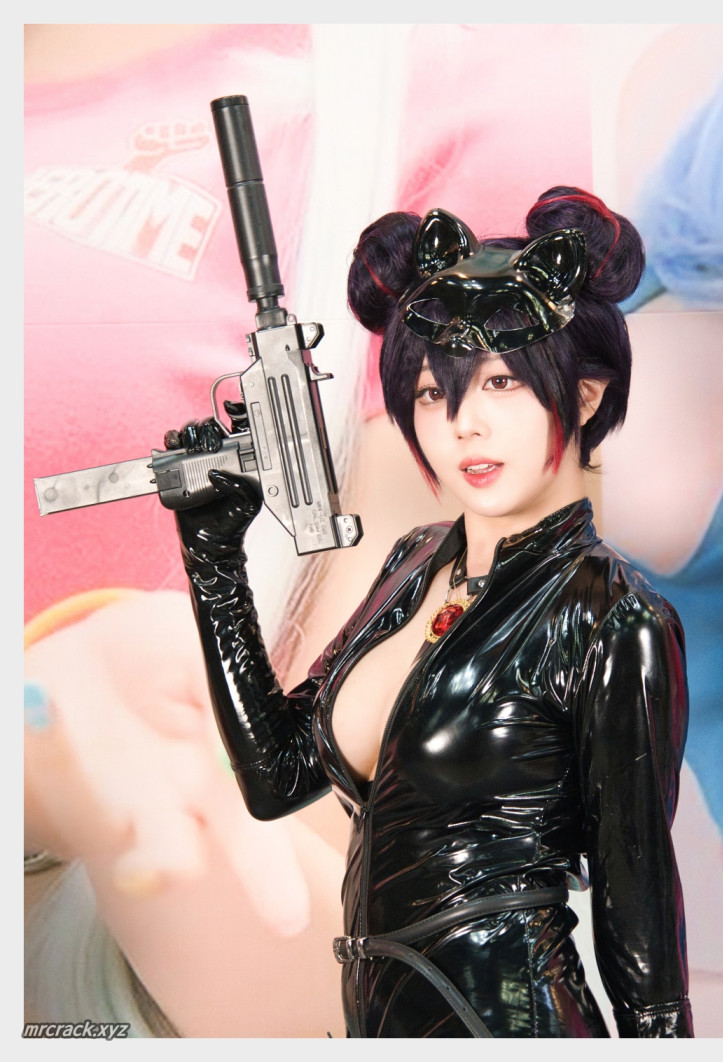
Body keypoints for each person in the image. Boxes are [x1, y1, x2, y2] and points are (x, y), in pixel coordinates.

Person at [169, 187, 693, 1038]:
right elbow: (277, 778)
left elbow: (641, 917)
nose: (461, 425)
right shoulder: (413, 564)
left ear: (586, 398)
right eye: (428, 393)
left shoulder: (615, 619)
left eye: (501, 383)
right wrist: (213, 558)